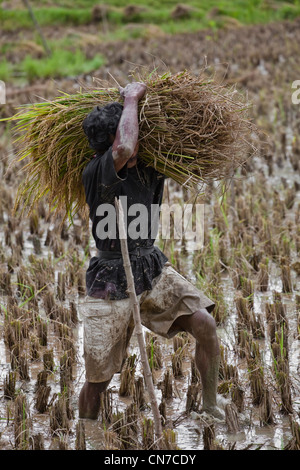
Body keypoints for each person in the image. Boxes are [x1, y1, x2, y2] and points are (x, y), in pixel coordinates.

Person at [79, 81, 223, 421]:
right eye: (127, 137)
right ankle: (86, 430)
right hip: (110, 278)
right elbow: (125, 146)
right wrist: (131, 98)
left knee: (204, 324)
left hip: (151, 266)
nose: (136, 144)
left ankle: (212, 406)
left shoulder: (150, 164)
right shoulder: (97, 170)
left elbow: (185, 152)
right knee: (98, 378)